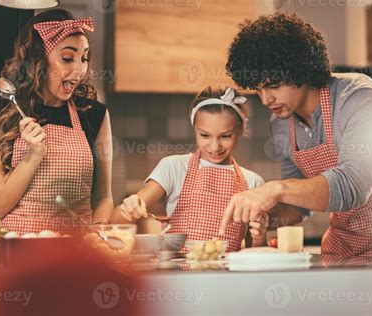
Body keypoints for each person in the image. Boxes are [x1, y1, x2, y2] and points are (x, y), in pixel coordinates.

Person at [219, 13, 372, 260]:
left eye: (274, 85)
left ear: (303, 69)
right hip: (345, 246)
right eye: (258, 88)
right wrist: (269, 217)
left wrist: (274, 189)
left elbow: (354, 185)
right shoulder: (280, 123)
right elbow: (299, 203)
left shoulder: (362, 99)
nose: (266, 99)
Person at [0, 9, 113, 234]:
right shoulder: (2, 114)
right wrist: (32, 156)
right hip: (21, 253)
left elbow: (104, 198)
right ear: (38, 60)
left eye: (84, 58)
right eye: (67, 58)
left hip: (77, 252)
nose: (79, 70)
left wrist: (98, 236)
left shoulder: (94, 114)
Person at [113, 85, 268, 251]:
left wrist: (260, 236)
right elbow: (116, 223)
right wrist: (128, 209)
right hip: (177, 275)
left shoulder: (253, 182)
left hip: (226, 276)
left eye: (225, 136)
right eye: (204, 135)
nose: (215, 147)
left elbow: (256, 254)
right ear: (195, 129)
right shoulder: (173, 167)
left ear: (240, 130)